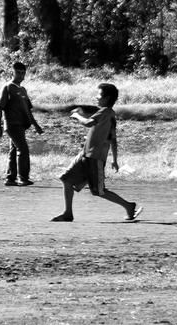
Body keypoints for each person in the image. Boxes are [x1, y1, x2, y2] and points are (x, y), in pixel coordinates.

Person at [52, 82, 142, 222]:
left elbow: (88, 123)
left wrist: (76, 116)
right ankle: (68, 212)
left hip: (95, 158)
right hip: (85, 155)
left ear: (107, 98)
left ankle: (128, 206)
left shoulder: (106, 112)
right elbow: (113, 139)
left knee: (99, 191)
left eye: (99, 95)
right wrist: (115, 159)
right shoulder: (109, 114)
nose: (96, 98)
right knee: (66, 179)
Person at [0, 62, 44, 186]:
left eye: (23, 73)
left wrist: (36, 125)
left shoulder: (23, 90)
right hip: (12, 124)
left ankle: (10, 178)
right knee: (23, 149)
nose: (21, 75)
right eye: (18, 73)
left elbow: (28, 110)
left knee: (14, 150)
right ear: (13, 73)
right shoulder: (7, 87)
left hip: (22, 125)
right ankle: (23, 178)